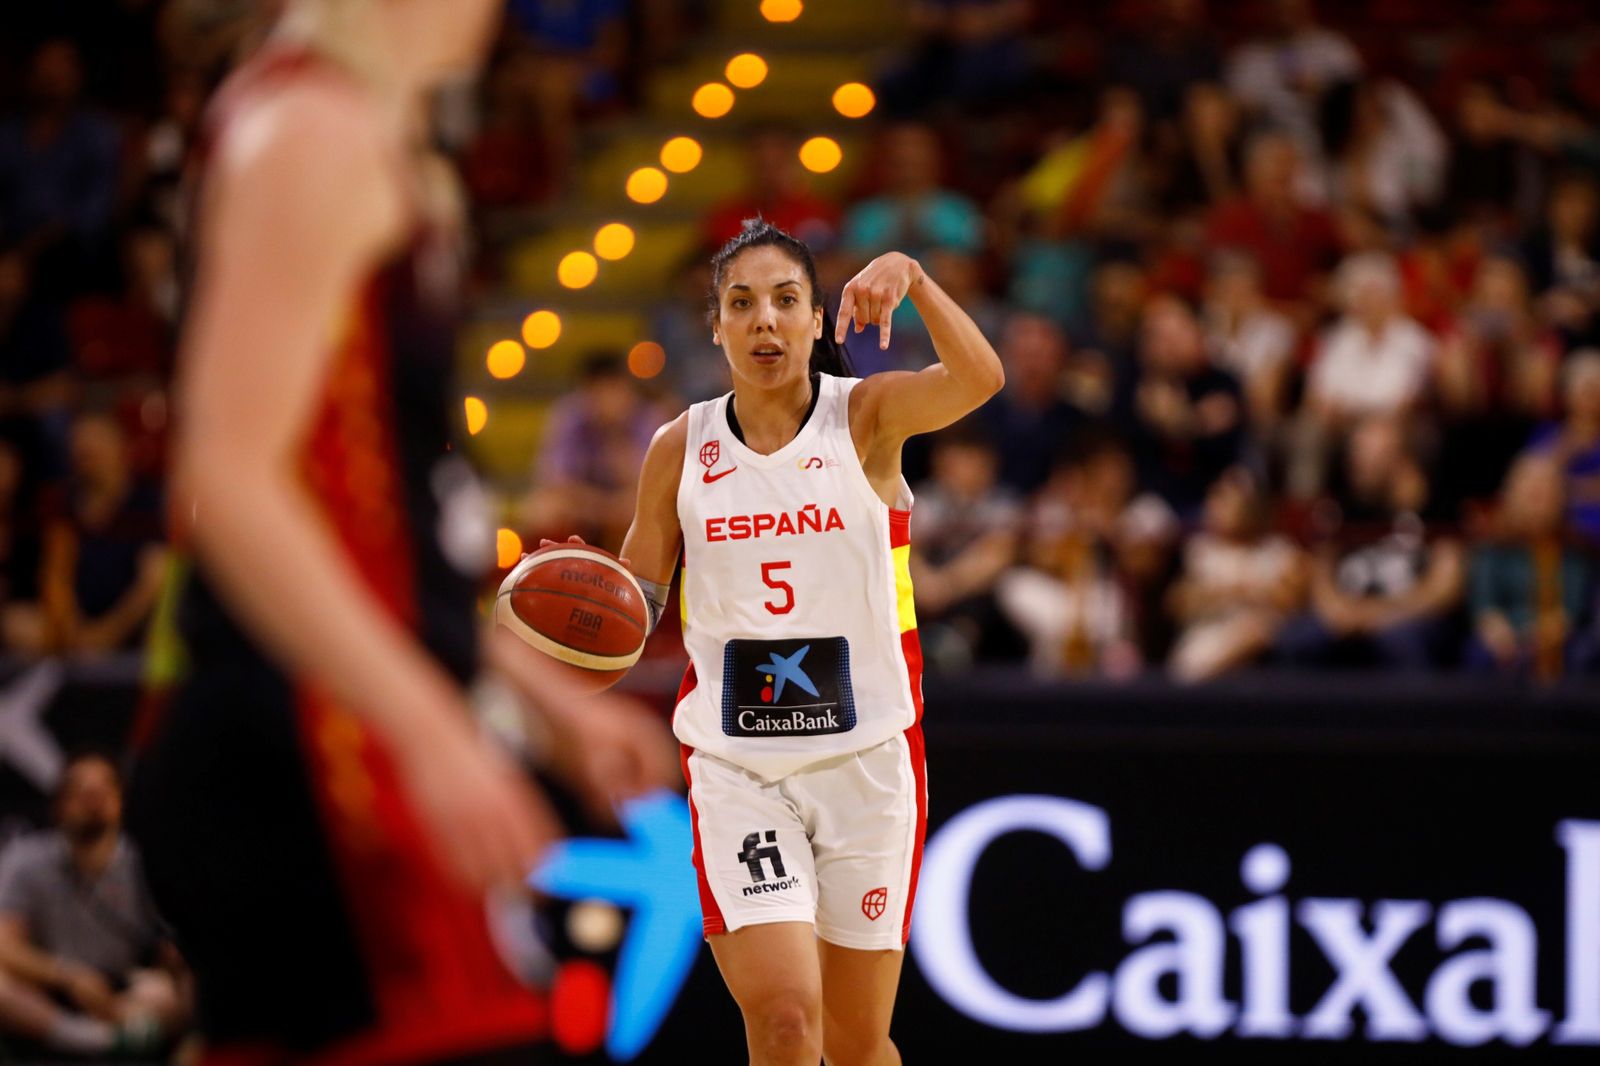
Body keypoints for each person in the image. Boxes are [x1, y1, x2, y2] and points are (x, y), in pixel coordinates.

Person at [128, 3, 671, 1063]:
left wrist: (522, 683)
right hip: (312, 752)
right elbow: (227, 478)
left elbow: (377, 518)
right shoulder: (309, 135)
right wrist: (431, 728)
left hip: (343, 729)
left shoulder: (370, 132)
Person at [617, 219, 1003, 1066]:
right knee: (787, 1019)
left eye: (786, 301)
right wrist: (577, 624)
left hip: (866, 760)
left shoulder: (864, 417)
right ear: (714, 326)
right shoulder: (679, 448)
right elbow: (633, 603)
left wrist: (916, 277)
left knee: (857, 1044)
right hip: (738, 767)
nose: (765, 322)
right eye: (741, 304)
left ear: (818, 319)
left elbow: (982, 377)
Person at [0, 753, 188, 1058]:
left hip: (124, 988)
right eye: (80, 792)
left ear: (120, 801)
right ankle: (95, 1041)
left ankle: (126, 1034)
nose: (92, 802)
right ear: (59, 805)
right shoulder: (27, 859)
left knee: (174, 992)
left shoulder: (146, 860)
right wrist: (67, 975)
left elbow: (171, 948)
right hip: (50, 986)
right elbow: (5, 945)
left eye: (101, 792)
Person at [1466, 452, 1593, 678]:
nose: (1537, 501)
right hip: (1504, 639)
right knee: (1480, 653)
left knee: (1582, 653)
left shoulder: (1574, 551)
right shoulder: (1494, 548)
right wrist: (1499, 634)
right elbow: (1485, 605)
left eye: (1544, 492)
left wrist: (1540, 638)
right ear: (1511, 495)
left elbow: (1572, 610)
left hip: (1555, 637)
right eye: (1530, 492)